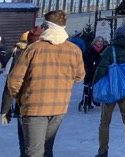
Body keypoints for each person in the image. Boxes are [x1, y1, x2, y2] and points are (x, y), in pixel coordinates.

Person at [7, 10, 85, 157]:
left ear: (46, 27)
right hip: (59, 106)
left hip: (34, 107)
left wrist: (20, 98)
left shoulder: (34, 49)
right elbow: (80, 76)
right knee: (47, 150)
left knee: (33, 152)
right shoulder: (74, 50)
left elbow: (14, 80)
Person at [93, 26, 125, 157]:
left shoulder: (110, 50)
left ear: (116, 36)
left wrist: (95, 87)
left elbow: (101, 70)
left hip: (110, 91)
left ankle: (103, 151)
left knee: (105, 122)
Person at [1, 26, 42, 157]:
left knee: (26, 142)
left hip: (25, 104)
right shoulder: (50, 53)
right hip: (51, 106)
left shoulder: (20, 54)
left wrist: (5, 110)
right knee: (44, 144)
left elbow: (11, 83)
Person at [82, 36, 106, 109]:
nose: (100, 43)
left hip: (100, 71)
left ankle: (96, 99)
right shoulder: (89, 49)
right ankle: (87, 102)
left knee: (98, 86)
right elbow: (84, 59)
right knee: (88, 85)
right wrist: (86, 68)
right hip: (90, 70)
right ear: (95, 41)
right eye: (98, 41)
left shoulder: (105, 50)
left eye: (101, 41)